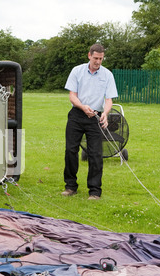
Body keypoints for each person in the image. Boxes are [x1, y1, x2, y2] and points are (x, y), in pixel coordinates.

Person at [62, 44, 118, 200]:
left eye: (101, 59)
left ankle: (94, 191)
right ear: (89, 56)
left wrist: (105, 113)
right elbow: (72, 96)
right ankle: (70, 186)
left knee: (95, 154)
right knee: (70, 150)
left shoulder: (107, 75)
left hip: (95, 117)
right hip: (77, 115)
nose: (98, 62)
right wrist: (82, 106)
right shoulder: (77, 71)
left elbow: (109, 99)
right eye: (95, 58)